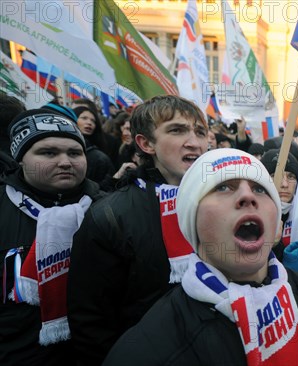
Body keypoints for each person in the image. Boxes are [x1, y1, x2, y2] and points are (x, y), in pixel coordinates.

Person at [103, 148, 298, 365]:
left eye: (259, 189)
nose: (247, 197)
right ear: (192, 221)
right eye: (223, 187)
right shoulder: (145, 352)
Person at [67, 95, 209, 365]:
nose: (194, 141)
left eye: (200, 131)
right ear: (146, 143)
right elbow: (91, 323)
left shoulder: (225, 203)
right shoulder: (109, 216)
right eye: (177, 130)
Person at [0, 109, 103, 365]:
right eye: (48, 153)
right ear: (21, 158)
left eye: (75, 153)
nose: (66, 162)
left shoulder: (110, 210)